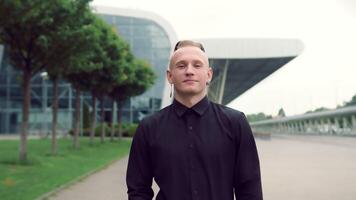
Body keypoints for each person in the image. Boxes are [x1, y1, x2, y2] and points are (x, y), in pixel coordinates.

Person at [126, 40, 263, 200]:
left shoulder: (235, 122)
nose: (189, 71)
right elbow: (138, 190)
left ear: (209, 75)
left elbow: (249, 188)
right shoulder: (149, 127)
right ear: (170, 76)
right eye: (181, 65)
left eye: (197, 65)